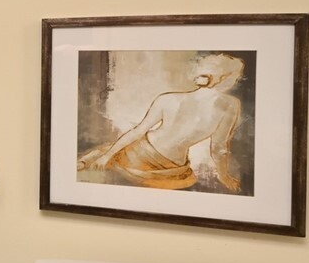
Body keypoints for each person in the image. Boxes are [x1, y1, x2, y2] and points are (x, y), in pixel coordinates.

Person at [77, 54, 246, 192]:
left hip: (139, 156)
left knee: (110, 153)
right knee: (112, 155)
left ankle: (90, 160)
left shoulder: (168, 99)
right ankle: (94, 159)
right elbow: (219, 148)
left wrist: (107, 156)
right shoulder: (230, 105)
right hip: (171, 167)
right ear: (226, 78)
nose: (237, 81)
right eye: (237, 77)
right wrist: (223, 176)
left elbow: (138, 131)